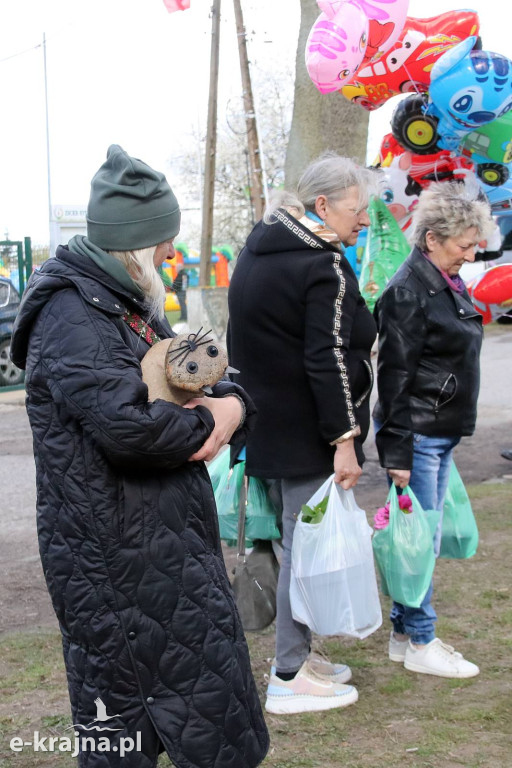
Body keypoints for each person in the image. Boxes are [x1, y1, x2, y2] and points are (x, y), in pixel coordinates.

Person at [10, 145, 268, 768]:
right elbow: (134, 430)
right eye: (162, 244)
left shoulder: (118, 304)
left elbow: (194, 377)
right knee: (128, 727)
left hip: (155, 550)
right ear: (133, 244)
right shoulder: (75, 313)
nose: (168, 256)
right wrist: (223, 414)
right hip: (118, 565)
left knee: (194, 712)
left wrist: (229, 403)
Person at [227, 153, 377, 715]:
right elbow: (327, 358)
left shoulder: (259, 247)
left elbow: (242, 335)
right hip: (308, 432)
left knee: (295, 544)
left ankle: (299, 657)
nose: (362, 221)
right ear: (322, 205)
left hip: (266, 427)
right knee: (302, 551)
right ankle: (288, 673)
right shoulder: (323, 264)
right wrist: (345, 437)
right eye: (355, 210)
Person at [373, 181, 493, 679]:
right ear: (431, 239)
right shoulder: (408, 290)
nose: (472, 251)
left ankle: (403, 636)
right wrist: (396, 450)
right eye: (464, 243)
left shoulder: (445, 280)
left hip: (437, 432)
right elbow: (394, 377)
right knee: (418, 540)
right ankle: (423, 639)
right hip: (418, 435)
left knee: (419, 538)